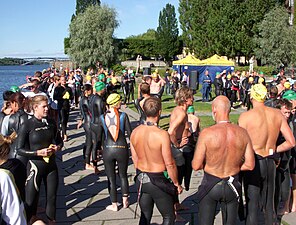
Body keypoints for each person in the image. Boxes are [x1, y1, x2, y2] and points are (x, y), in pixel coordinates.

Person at [192, 95, 255, 225]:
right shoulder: (242, 133)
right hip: (232, 183)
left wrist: (212, 163)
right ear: (230, 110)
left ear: (214, 111)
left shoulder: (207, 133)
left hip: (211, 183)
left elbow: (196, 165)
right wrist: (235, 165)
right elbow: (250, 165)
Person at [238, 84, 295, 225]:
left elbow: (240, 144)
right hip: (270, 161)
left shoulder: (245, 116)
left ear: (251, 97)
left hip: (254, 161)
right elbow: (291, 142)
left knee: (252, 206)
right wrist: (274, 149)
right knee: (269, 204)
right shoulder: (276, 114)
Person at [130, 97, 183, 225]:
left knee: (145, 216)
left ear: (144, 110)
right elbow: (169, 163)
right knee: (168, 216)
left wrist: (141, 172)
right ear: (159, 112)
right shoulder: (161, 135)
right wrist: (176, 183)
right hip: (157, 179)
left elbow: (134, 158)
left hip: (142, 177)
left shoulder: (135, 132)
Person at [16, 95, 63, 224]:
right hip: (35, 166)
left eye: (47, 105)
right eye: (44, 106)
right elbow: (19, 149)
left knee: (52, 197)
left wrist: (57, 148)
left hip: (51, 165)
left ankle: (51, 221)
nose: (47, 109)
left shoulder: (51, 122)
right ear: (35, 108)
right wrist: (37, 152)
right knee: (31, 200)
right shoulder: (27, 124)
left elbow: (59, 141)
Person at [98, 93, 132, 211]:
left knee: (111, 178)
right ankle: (125, 200)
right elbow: (130, 134)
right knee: (123, 175)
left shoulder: (102, 118)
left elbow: (99, 137)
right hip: (122, 148)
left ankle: (114, 204)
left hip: (108, 149)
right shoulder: (124, 116)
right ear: (117, 103)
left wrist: (97, 150)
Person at [168, 86, 193, 213]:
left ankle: (177, 205)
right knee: (176, 179)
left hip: (179, 148)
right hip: (177, 149)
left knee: (179, 177)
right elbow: (171, 131)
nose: (193, 98)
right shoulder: (182, 113)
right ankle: (174, 213)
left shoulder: (179, 110)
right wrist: (177, 144)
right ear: (186, 99)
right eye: (191, 96)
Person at [77, 84, 97, 173]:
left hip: (86, 121)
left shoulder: (82, 99)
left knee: (87, 142)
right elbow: (90, 111)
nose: (92, 92)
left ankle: (86, 159)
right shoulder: (85, 100)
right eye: (91, 90)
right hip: (89, 123)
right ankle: (87, 163)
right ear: (87, 91)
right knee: (90, 143)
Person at [89, 81, 106, 169]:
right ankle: (107, 162)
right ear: (101, 89)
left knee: (95, 144)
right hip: (99, 125)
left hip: (92, 123)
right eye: (104, 89)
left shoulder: (92, 98)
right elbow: (101, 114)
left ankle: (95, 166)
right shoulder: (99, 100)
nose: (105, 90)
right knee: (103, 144)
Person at [53, 75, 73, 142]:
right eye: (62, 80)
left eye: (64, 80)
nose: (63, 81)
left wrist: (69, 97)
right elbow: (54, 97)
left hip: (67, 105)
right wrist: (62, 97)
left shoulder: (68, 88)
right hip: (60, 105)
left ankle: (63, 132)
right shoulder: (57, 88)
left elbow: (72, 97)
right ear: (60, 81)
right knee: (62, 120)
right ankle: (64, 134)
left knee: (66, 120)